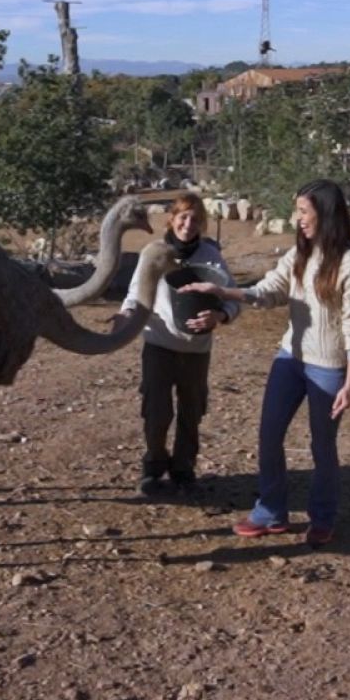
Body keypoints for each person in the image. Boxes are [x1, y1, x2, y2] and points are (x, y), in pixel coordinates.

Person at [181, 179, 350, 546]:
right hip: (290, 359)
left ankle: (323, 517)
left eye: (303, 211)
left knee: (322, 446)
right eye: (297, 210)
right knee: (269, 435)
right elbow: (268, 290)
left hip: (328, 367)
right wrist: (221, 291)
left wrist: (349, 383)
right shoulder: (298, 255)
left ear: (325, 213)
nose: (296, 219)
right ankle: (270, 511)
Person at [118, 192, 239, 496]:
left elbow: (233, 297)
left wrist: (221, 315)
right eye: (183, 217)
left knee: (192, 411)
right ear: (171, 219)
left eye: (196, 218)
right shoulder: (154, 253)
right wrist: (126, 315)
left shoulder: (211, 256)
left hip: (196, 350)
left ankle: (183, 470)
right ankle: (153, 469)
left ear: (203, 224)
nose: (189, 223)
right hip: (159, 343)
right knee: (156, 410)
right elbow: (134, 293)